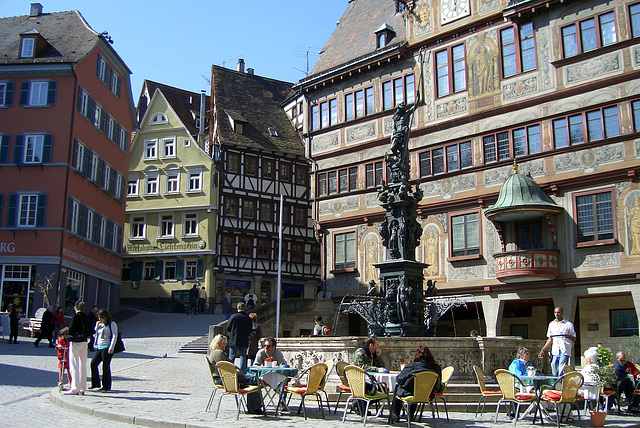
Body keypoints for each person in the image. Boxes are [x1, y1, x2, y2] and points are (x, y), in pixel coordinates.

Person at [207, 334, 263, 414]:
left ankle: (253, 406)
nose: (226, 345)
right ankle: (254, 407)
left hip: (223, 378)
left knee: (251, 378)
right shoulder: (219, 354)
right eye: (224, 343)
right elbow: (225, 368)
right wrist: (237, 371)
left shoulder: (214, 352)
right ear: (218, 344)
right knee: (253, 379)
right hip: (224, 379)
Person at [390, 345, 442, 424]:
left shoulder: (412, 366)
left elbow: (399, 379)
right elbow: (438, 384)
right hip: (428, 395)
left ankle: (395, 414)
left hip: (411, 394)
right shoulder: (436, 368)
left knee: (399, 387)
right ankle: (410, 414)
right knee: (416, 388)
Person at [538, 307, 576, 376]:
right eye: (555, 312)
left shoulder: (568, 324)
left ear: (562, 313)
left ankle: (560, 383)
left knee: (562, 367)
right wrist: (543, 350)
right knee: (553, 365)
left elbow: (574, 338)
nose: (557, 314)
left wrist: (568, 336)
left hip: (564, 349)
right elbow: (550, 338)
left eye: (558, 312)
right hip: (555, 350)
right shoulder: (552, 324)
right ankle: (556, 382)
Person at [90, 309, 118, 391]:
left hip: (107, 347)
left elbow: (114, 335)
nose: (100, 319)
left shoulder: (112, 324)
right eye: (99, 317)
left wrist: (111, 347)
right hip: (99, 346)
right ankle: (95, 383)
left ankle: (106, 386)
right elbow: (95, 334)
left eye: (101, 317)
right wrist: (97, 326)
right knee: (93, 363)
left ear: (105, 317)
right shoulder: (100, 324)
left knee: (105, 366)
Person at [66, 301, 89, 395]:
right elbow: (90, 329)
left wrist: (68, 336)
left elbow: (71, 329)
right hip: (84, 341)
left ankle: (75, 388)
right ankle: (83, 387)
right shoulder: (86, 316)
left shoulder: (75, 316)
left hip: (75, 342)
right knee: (83, 365)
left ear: (76, 308)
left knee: (74, 364)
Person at [225, 302, 252, 371]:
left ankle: (230, 371)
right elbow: (250, 329)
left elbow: (228, 328)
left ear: (237, 308)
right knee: (243, 356)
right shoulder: (248, 318)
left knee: (231, 357)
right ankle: (243, 372)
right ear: (244, 308)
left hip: (234, 339)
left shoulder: (234, 317)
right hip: (244, 339)